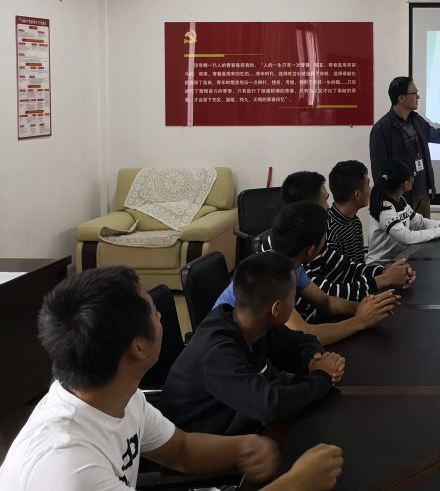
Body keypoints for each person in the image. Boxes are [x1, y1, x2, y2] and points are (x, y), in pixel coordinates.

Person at [0, 266, 343, 491]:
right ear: (138, 347)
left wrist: (244, 447)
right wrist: (295, 484)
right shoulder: (68, 468)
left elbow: (181, 449)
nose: (161, 314)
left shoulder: (115, 395)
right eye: (153, 310)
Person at [161, 251, 344, 435]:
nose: (294, 301)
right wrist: (322, 376)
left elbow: (302, 341)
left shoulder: (253, 323)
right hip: (200, 444)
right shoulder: (217, 351)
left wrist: (314, 358)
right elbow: (270, 406)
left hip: (237, 425)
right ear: (276, 308)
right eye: (293, 296)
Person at [215, 202, 400, 346]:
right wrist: (360, 321)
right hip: (230, 351)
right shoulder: (271, 276)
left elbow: (327, 302)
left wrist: (364, 307)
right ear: (311, 250)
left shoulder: (289, 261)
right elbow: (305, 334)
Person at [277, 169, 412, 321]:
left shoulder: (319, 237)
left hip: (337, 310)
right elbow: (329, 294)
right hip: (321, 322)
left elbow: (347, 268)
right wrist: (385, 279)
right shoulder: (292, 255)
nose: (328, 207)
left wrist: (388, 272)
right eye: (324, 201)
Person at [369, 75, 440, 217]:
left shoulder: (417, 121)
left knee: (424, 230)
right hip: (400, 197)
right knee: (402, 231)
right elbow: (379, 171)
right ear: (401, 98)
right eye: (414, 93)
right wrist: (388, 201)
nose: (418, 97)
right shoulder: (382, 129)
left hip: (422, 193)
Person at [326, 160, 415, 287]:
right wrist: (385, 277)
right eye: (368, 184)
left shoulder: (354, 221)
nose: (371, 188)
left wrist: (388, 272)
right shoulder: (330, 230)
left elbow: (357, 266)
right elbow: (338, 281)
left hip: (360, 285)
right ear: (357, 194)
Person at [366, 159, 440, 266]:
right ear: (406, 184)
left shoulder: (401, 201)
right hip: (379, 266)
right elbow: (406, 237)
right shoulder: (385, 208)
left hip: (397, 260)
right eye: (413, 176)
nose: (414, 178)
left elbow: (420, 222)